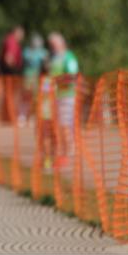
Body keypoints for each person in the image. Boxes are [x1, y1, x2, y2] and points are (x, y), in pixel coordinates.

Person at [47, 32, 79, 168]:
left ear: (62, 44)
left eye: (54, 44)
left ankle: (69, 151)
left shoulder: (68, 57)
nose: (52, 47)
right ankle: (64, 151)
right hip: (56, 97)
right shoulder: (54, 59)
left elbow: (72, 77)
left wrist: (56, 81)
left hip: (68, 96)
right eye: (51, 45)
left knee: (66, 124)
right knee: (59, 125)